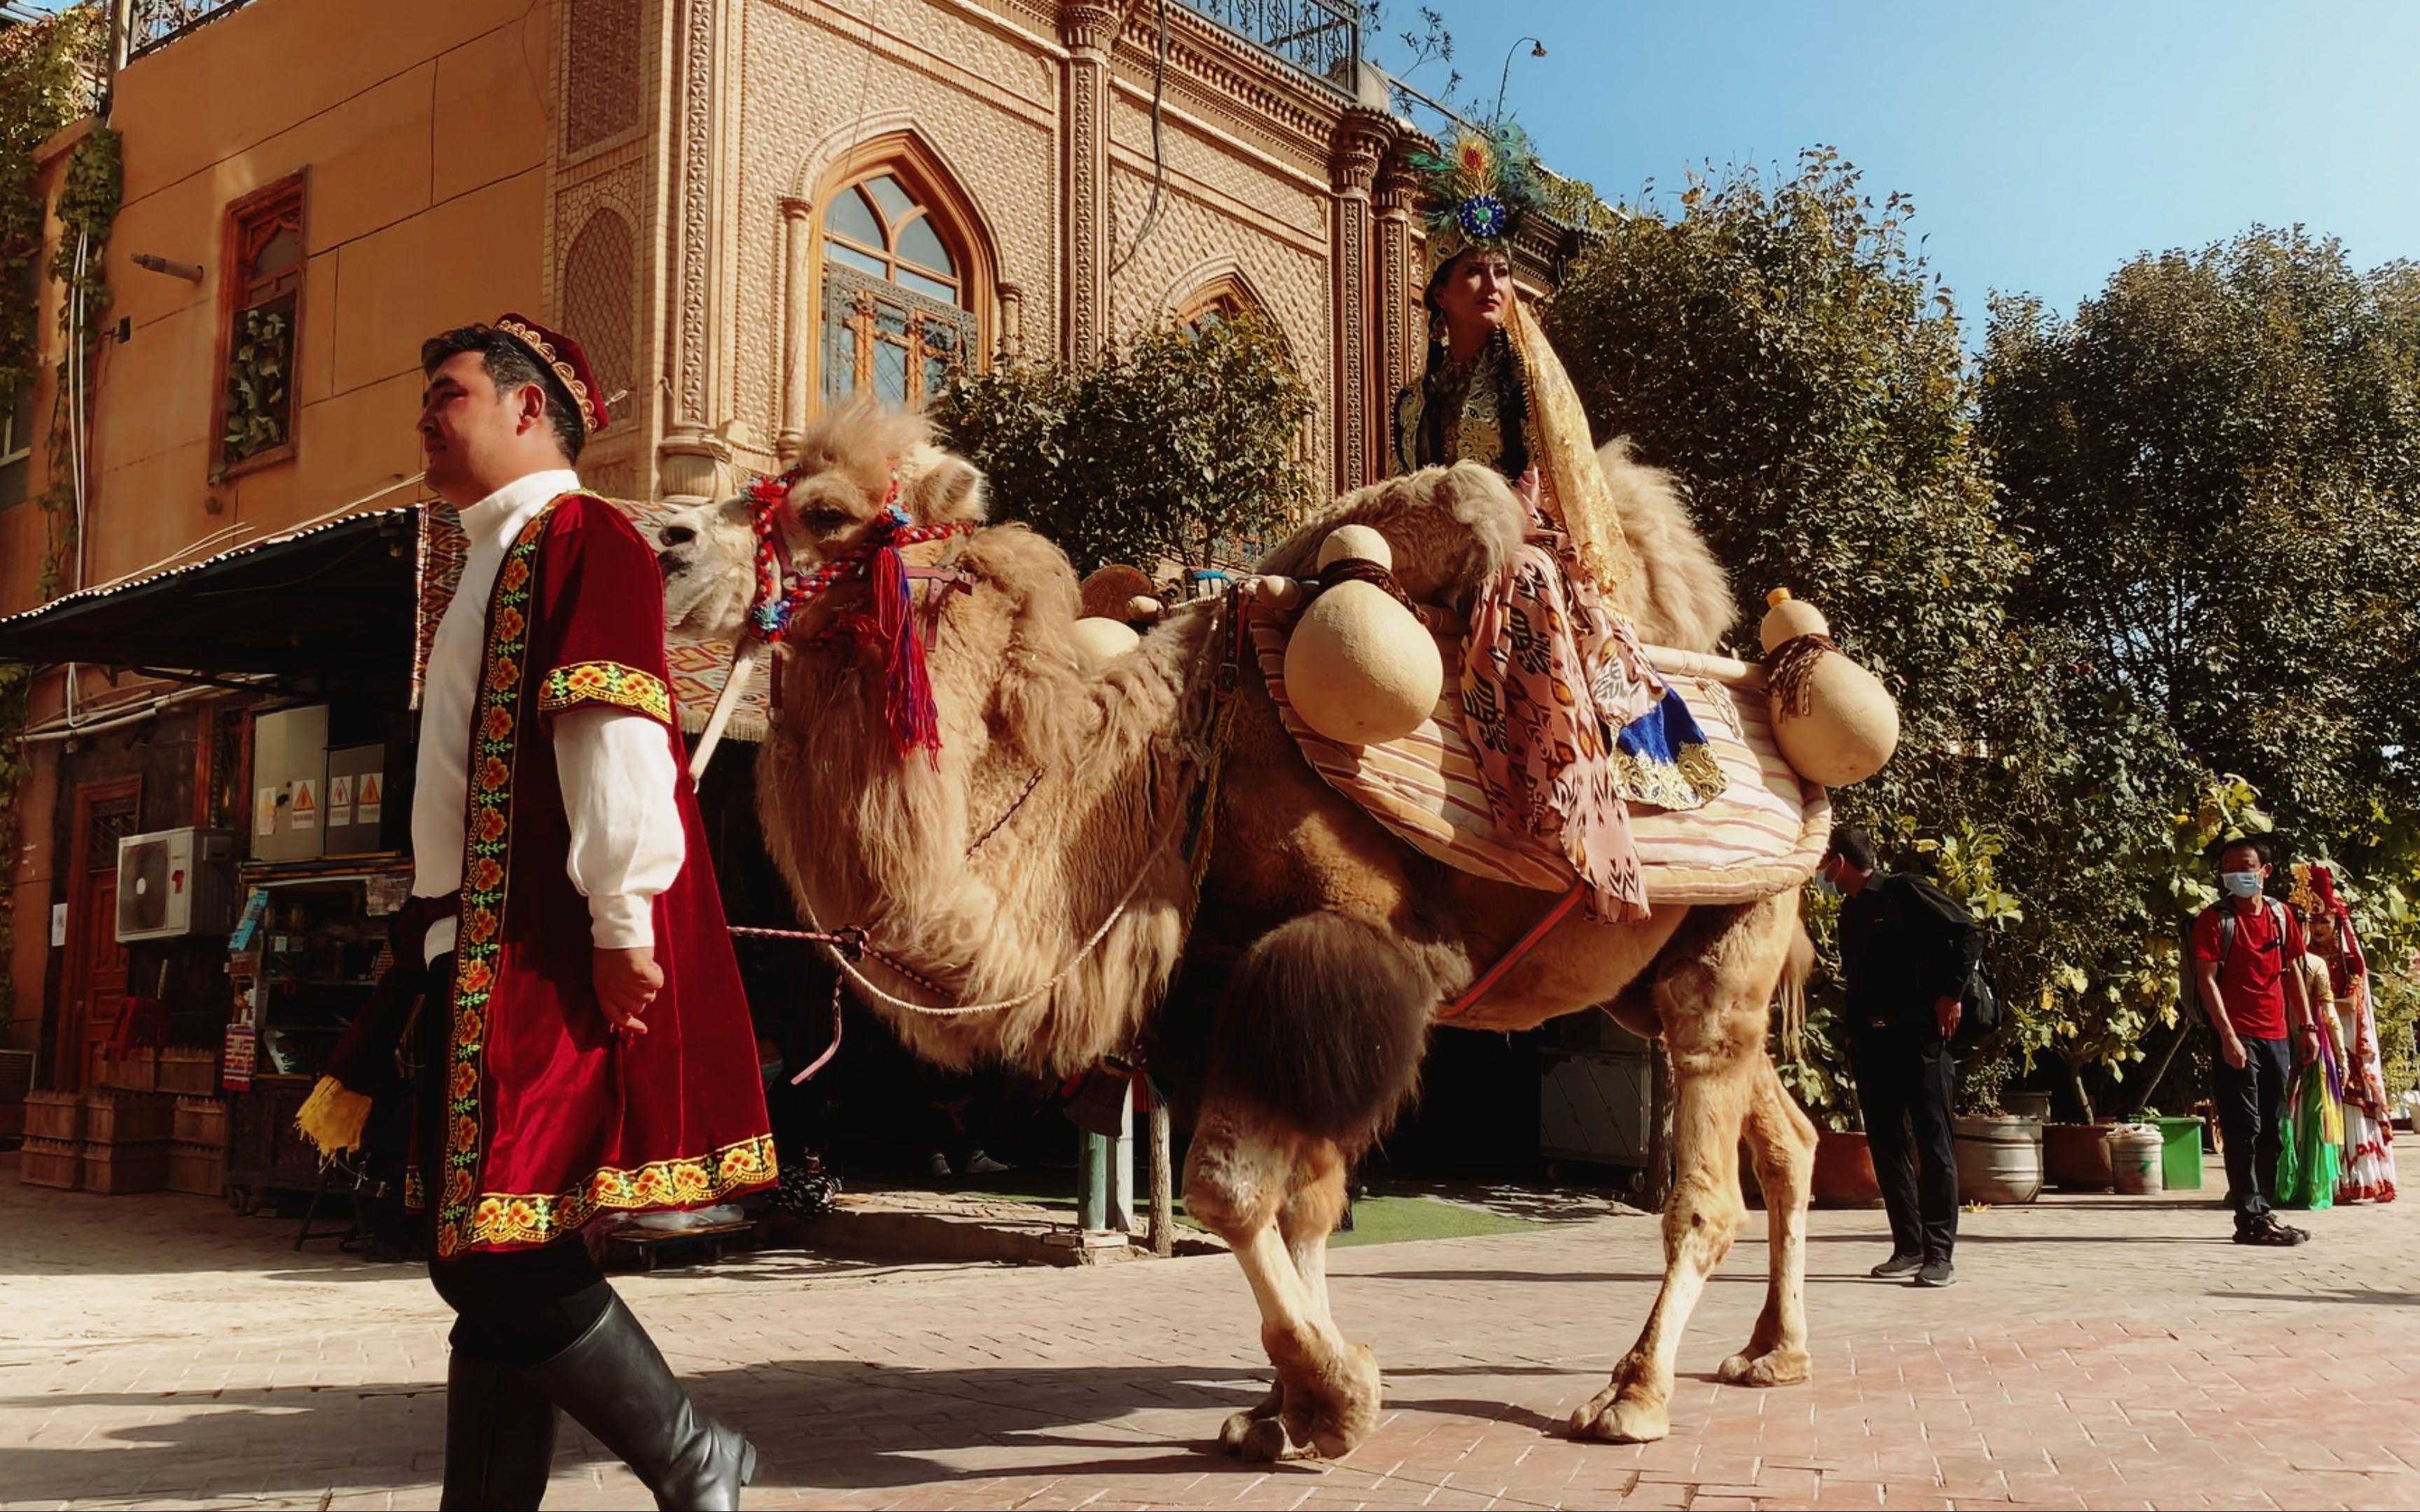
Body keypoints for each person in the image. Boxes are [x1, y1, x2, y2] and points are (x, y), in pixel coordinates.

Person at [332, 316, 775, 1508]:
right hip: (473, 947)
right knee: (489, 1255)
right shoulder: (492, 551)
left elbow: (615, 729)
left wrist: (623, 921)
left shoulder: (581, 537)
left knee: (507, 1255)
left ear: (529, 410)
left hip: (545, 947)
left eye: (449, 391)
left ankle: (695, 1455)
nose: (427, 413)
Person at [1391, 124, 1723, 925]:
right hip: (1440, 549)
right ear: (1440, 292)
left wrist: (1514, 523)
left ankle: (1569, 797)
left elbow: (1549, 483)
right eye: (1472, 271)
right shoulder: (1412, 402)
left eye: (1500, 271)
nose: (1491, 283)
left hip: (1524, 546)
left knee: (1527, 587)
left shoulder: (1525, 373)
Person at [1819, 823, 1980, 1289]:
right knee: (1888, 1148)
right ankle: (1908, 1247)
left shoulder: (1904, 891)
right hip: (1874, 1045)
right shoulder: (1848, 915)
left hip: (1922, 1041)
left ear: (1839, 862)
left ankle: (1939, 1255)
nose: (1819, 872)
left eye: (1822, 861)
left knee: (1933, 1146)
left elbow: (1968, 933)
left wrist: (1951, 995)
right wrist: (1852, 1036)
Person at [2191, 835, 2317, 1246]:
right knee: (2243, 1128)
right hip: (2237, 1034)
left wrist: (2308, 1027)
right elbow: (2206, 980)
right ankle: (2249, 1219)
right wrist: (2227, 1036)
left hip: (2277, 1035)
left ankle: (2263, 1211)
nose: (2237, 874)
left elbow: (2292, 971)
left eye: (2246, 866)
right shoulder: (2215, 920)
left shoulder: (2281, 916)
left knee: (2272, 1131)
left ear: (2265, 871)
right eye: (2229, 868)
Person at [2297, 864, 2396, 1203]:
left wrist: (2320, 1005)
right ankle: (2318, 1179)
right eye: (2313, 920)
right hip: (2308, 1034)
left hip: (2344, 1038)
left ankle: (2353, 1179)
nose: (2319, 927)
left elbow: (2351, 1002)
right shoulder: (2301, 959)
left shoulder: (2351, 961)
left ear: (2338, 922)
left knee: (2348, 1104)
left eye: (2325, 920)